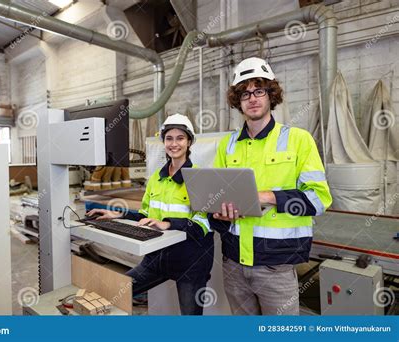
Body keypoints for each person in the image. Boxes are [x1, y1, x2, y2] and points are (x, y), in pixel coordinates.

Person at [208, 57, 332, 315]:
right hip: (233, 263)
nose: (252, 98)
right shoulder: (227, 145)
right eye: (245, 93)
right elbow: (217, 199)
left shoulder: (298, 140)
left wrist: (266, 196)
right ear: (237, 100)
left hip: (276, 266)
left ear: (270, 94)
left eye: (259, 90)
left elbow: (319, 200)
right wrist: (218, 213)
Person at [87, 113, 214, 315]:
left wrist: (168, 223)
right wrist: (117, 215)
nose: (174, 144)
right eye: (169, 138)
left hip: (190, 263)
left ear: (189, 141)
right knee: (116, 292)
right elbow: (145, 216)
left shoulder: (200, 177)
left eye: (180, 138)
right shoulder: (156, 178)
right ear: (163, 141)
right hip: (157, 259)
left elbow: (203, 227)